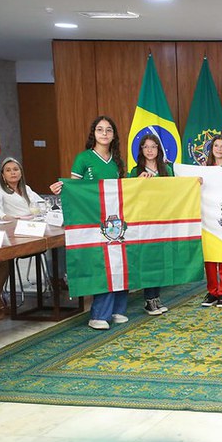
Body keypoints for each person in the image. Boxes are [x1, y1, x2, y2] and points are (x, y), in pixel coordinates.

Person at [49, 116, 128, 331]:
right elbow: (75, 189)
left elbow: (124, 191)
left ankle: (117, 309)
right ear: (93, 133)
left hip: (114, 221)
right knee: (102, 264)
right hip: (91, 220)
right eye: (100, 129)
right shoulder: (83, 158)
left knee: (119, 261)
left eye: (109, 130)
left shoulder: (117, 161)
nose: (104, 133)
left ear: (114, 135)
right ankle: (98, 314)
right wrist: (62, 187)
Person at [0, 157, 44, 320]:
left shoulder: (26, 189)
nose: (12, 172)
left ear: (21, 173)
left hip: (27, 231)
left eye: (15, 169)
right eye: (8, 170)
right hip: (7, 233)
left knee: (6, 261)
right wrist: (6, 216)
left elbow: (40, 203)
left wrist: (37, 212)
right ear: (2, 175)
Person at [129, 134, 172, 315]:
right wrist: (138, 182)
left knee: (160, 261)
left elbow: (177, 190)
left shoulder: (167, 169)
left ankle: (156, 297)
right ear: (141, 150)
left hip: (162, 221)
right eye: (145, 147)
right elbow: (128, 194)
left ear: (158, 149)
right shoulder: (135, 171)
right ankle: (148, 300)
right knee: (148, 261)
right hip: (143, 222)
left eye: (153, 146)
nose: (149, 150)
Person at [201, 134, 222, 309]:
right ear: (211, 149)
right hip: (208, 218)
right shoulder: (203, 169)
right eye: (216, 146)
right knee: (210, 258)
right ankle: (212, 291)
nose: (219, 149)